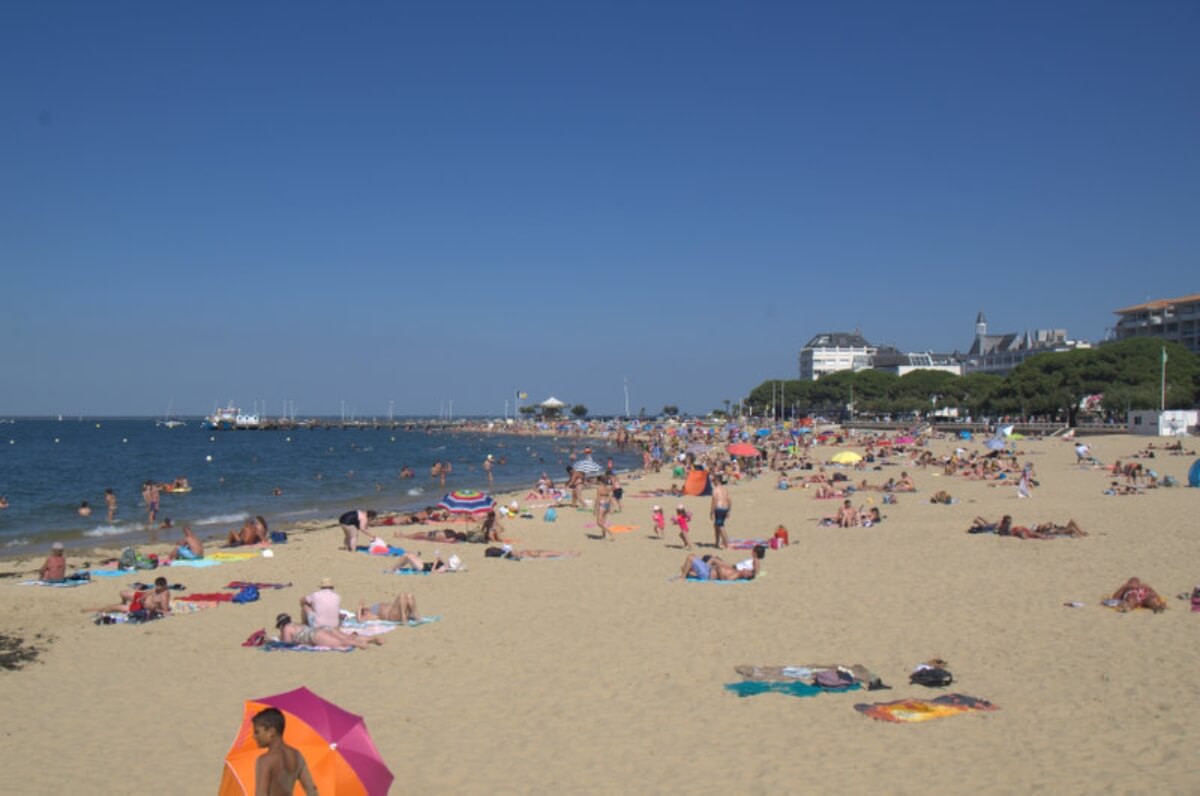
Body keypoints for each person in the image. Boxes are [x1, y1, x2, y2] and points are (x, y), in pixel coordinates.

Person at [251, 707, 318, 796]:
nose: (254, 736)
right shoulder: (297, 755)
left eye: (257, 732)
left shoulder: (265, 761)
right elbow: (311, 789)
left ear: (271, 732)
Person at [275, 613, 381, 650]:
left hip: (315, 636)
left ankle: (360, 645)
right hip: (322, 628)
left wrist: (279, 639)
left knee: (341, 643)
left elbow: (287, 643)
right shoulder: (297, 624)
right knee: (346, 637)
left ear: (281, 624)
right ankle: (371, 639)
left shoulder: (286, 628)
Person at [357, 593, 421, 623]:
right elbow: (360, 621)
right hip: (392, 615)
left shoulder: (372, 608)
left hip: (396, 610)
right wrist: (359, 608)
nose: (365, 608)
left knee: (410, 595)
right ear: (364, 614)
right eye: (363, 610)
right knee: (402, 596)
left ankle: (415, 615)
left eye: (364, 608)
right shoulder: (370, 615)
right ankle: (403, 617)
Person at [710, 474, 732, 548]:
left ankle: (726, 543)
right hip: (725, 508)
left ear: (717, 481)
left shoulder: (715, 489)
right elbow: (729, 500)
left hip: (719, 508)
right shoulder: (725, 489)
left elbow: (714, 501)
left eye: (713, 480)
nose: (712, 482)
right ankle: (716, 543)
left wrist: (711, 512)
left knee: (720, 525)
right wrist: (728, 510)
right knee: (716, 525)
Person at [594, 475, 614, 540]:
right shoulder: (607, 487)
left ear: (599, 481)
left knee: (599, 522)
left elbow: (598, 498)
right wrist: (611, 506)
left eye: (596, 480)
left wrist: (595, 508)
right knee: (603, 521)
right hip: (607, 504)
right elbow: (610, 497)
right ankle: (603, 535)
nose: (596, 481)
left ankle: (609, 532)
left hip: (602, 504)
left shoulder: (599, 488)